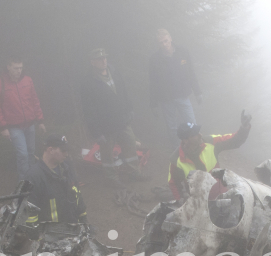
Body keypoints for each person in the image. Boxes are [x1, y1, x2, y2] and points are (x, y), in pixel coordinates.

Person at [80, 48, 139, 180]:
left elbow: (124, 91)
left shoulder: (114, 72)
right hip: (105, 126)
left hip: (122, 120)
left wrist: (129, 109)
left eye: (105, 58)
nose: (103, 61)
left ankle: (134, 172)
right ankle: (111, 179)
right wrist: (96, 132)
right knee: (107, 155)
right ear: (92, 62)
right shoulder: (87, 82)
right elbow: (88, 110)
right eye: (99, 59)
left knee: (130, 145)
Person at [167, 112, 252, 201]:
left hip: (221, 195)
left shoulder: (210, 141)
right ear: (185, 140)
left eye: (198, 131)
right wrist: (180, 200)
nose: (200, 135)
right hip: (199, 203)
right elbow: (173, 183)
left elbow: (234, 141)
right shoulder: (176, 160)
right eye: (194, 134)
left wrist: (244, 128)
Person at [0, 57, 46, 181]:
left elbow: (34, 100)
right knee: (23, 154)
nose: (19, 71)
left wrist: (40, 121)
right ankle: (24, 184)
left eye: (20, 68)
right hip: (13, 126)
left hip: (30, 124)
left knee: (31, 152)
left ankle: (33, 180)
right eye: (16, 68)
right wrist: (2, 127)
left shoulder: (27, 80)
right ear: (8, 67)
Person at [149, 28, 202, 158]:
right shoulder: (154, 59)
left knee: (191, 122)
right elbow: (153, 82)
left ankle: (197, 148)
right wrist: (153, 103)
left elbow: (191, 72)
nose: (164, 44)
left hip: (183, 95)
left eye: (166, 41)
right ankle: (178, 152)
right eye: (161, 42)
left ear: (170, 38)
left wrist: (198, 92)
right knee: (172, 127)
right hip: (166, 98)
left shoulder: (182, 52)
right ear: (158, 44)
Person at [25, 134, 87, 225]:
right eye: (63, 150)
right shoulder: (33, 176)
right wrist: (36, 237)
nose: (67, 154)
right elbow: (29, 215)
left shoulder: (67, 169)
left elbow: (77, 195)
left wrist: (84, 219)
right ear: (51, 150)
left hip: (73, 231)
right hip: (50, 236)